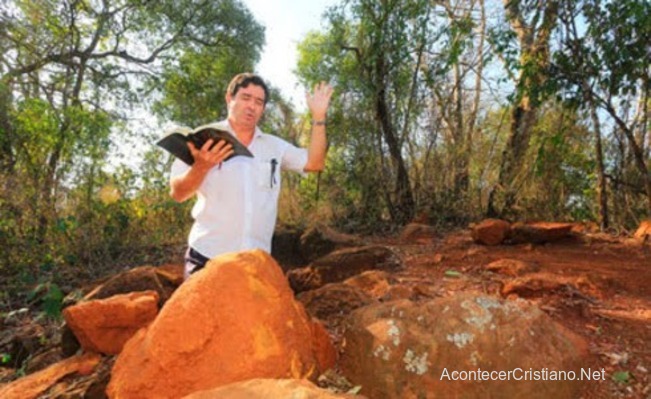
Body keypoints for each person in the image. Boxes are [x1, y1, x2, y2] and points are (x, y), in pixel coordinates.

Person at [169, 73, 334, 279]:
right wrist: (201, 166)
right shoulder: (203, 140)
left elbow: (315, 163)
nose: (251, 106)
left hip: (256, 262)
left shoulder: (274, 146)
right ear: (230, 98)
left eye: (258, 102)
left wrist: (319, 117)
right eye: (245, 98)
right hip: (207, 256)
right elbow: (178, 193)